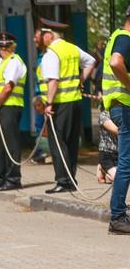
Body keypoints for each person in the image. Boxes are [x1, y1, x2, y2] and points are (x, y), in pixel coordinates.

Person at [37, 19, 97, 194]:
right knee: (70, 143)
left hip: (60, 103)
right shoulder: (71, 48)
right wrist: (80, 80)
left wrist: (48, 103)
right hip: (75, 102)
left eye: (41, 35)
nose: (40, 39)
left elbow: (53, 81)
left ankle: (63, 181)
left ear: (49, 35)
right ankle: (70, 179)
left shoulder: (51, 53)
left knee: (58, 142)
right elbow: (91, 61)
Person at [0, 31, 26, 191]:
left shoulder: (14, 61)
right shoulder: (2, 61)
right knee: (0, 145)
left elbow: (8, 87)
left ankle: (13, 178)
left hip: (10, 106)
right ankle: (0, 177)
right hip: (0, 107)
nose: (3, 48)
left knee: (11, 144)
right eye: (1, 46)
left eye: (6, 45)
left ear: (12, 46)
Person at [102, 7, 130, 233]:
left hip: (119, 107)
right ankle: (118, 216)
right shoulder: (125, 38)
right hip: (125, 107)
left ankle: (119, 213)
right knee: (126, 163)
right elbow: (115, 62)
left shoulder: (116, 35)